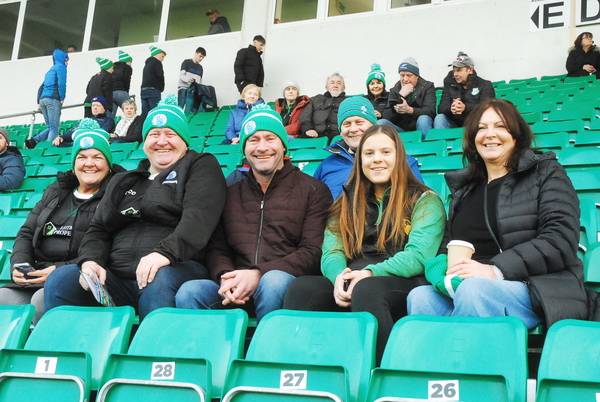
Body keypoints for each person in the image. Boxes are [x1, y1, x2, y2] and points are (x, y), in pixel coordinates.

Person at [407, 99, 588, 329]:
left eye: (500, 126)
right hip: (472, 284)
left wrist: (495, 270)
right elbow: (450, 244)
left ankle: (464, 352)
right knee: (421, 296)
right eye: (481, 128)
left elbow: (560, 240)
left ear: (516, 135)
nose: (489, 134)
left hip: (538, 286)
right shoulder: (466, 189)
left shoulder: (545, 172)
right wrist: (440, 269)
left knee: (474, 290)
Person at [44, 95, 227, 320]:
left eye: (170, 134)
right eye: (154, 134)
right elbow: (99, 229)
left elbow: (199, 220)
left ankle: (155, 343)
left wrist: (164, 254)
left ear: (184, 140)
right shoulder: (125, 180)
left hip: (176, 267)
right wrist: (91, 260)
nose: (161, 141)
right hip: (118, 278)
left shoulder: (199, 165)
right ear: (145, 141)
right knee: (62, 279)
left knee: (159, 276)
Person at [283, 124, 446, 362]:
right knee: (302, 287)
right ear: (359, 161)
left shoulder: (424, 199)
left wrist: (369, 273)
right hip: (354, 277)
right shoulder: (345, 203)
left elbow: (419, 256)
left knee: (368, 289)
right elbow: (332, 250)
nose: (377, 159)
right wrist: (339, 277)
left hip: (404, 280)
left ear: (399, 157)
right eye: (369, 153)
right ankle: (301, 370)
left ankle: (382, 373)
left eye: (386, 152)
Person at [176, 104, 333, 321]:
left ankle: (269, 343)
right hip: (235, 283)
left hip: (283, 283)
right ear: (244, 149)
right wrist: (226, 276)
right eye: (253, 140)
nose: (262, 147)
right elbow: (217, 248)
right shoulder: (229, 192)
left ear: (283, 145)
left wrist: (258, 273)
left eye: (270, 139)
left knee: (273, 281)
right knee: (190, 291)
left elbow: (313, 251)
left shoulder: (314, 190)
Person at [4, 120, 123, 323]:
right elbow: (26, 233)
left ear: (108, 165)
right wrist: (20, 265)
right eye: (82, 157)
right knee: (3, 298)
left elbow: (111, 249)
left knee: (41, 300)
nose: (89, 163)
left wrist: (58, 269)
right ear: (74, 165)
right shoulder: (55, 191)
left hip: (78, 278)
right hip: (37, 276)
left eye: (97, 157)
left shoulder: (117, 196)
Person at [314, 97, 423, 199]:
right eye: (347, 124)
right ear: (340, 131)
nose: (353, 129)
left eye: (359, 122)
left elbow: (419, 202)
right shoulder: (326, 165)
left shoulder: (403, 161)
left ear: (373, 127)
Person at [434, 52, 496, 129]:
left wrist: (465, 107)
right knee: (439, 118)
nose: (455, 74)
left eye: (459, 70)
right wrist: (451, 108)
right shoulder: (449, 85)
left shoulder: (484, 84)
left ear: (470, 70)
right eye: (454, 71)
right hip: (455, 123)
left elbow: (487, 108)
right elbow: (441, 108)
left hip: (476, 124)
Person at [379, 58, 435, 140]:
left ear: (417, 76)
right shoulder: (395, 90)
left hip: (420, 126)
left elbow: (430, 111)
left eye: (409, 75)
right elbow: (386, 117)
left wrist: (410, 110)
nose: (405, 79)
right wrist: (400, 95)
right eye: (402, 75)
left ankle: (425, 145)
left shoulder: (427, 87)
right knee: (381, 123)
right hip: (401, 129)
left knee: (423, 119)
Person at [27, 49, 68, 148]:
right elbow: (62, 83)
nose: (67, 62)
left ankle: (34, 141)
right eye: (66, 59)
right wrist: (62, 97)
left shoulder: (50, 70)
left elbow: (41, 87)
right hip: (53, 100)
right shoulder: (61, 67)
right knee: (54, 128)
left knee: (50, 127)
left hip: (43, 100)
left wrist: (38, 102)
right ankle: (49, 148)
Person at [299, 73, 347, 140]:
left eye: (339, 83)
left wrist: (346, 131)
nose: (335, 85)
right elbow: (305, 116)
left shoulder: (348, 101)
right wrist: (308, 129)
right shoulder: (315, 99)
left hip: (339, 135)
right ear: (326, 87)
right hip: (315, 134)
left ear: (344, 88)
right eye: (332, 83)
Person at [141, 46, 166, 119]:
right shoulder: (157, 62)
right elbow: (160, 75)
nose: (163, 59)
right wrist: (161, 88)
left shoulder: (147, 64)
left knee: (145, 114)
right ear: (156, 54)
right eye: (162, 56)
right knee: (156, 112)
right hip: (153, 90)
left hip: (143, 90)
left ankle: (143, 126)